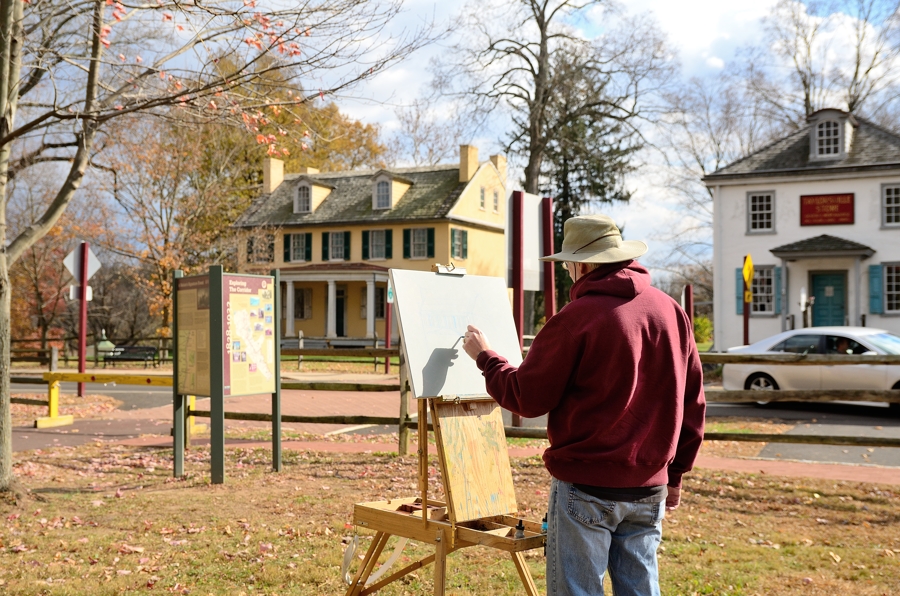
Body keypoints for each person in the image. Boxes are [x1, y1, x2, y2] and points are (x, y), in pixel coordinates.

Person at [462, 214, 706, 596]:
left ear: (584, 264)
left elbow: (526, 397)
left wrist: (486, 357)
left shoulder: (576, 318)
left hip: (587, 486)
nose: (569, 272)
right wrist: (675, 475)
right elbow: (692, 404)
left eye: (569, 264)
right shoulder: (671, 312)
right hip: (650, 486)